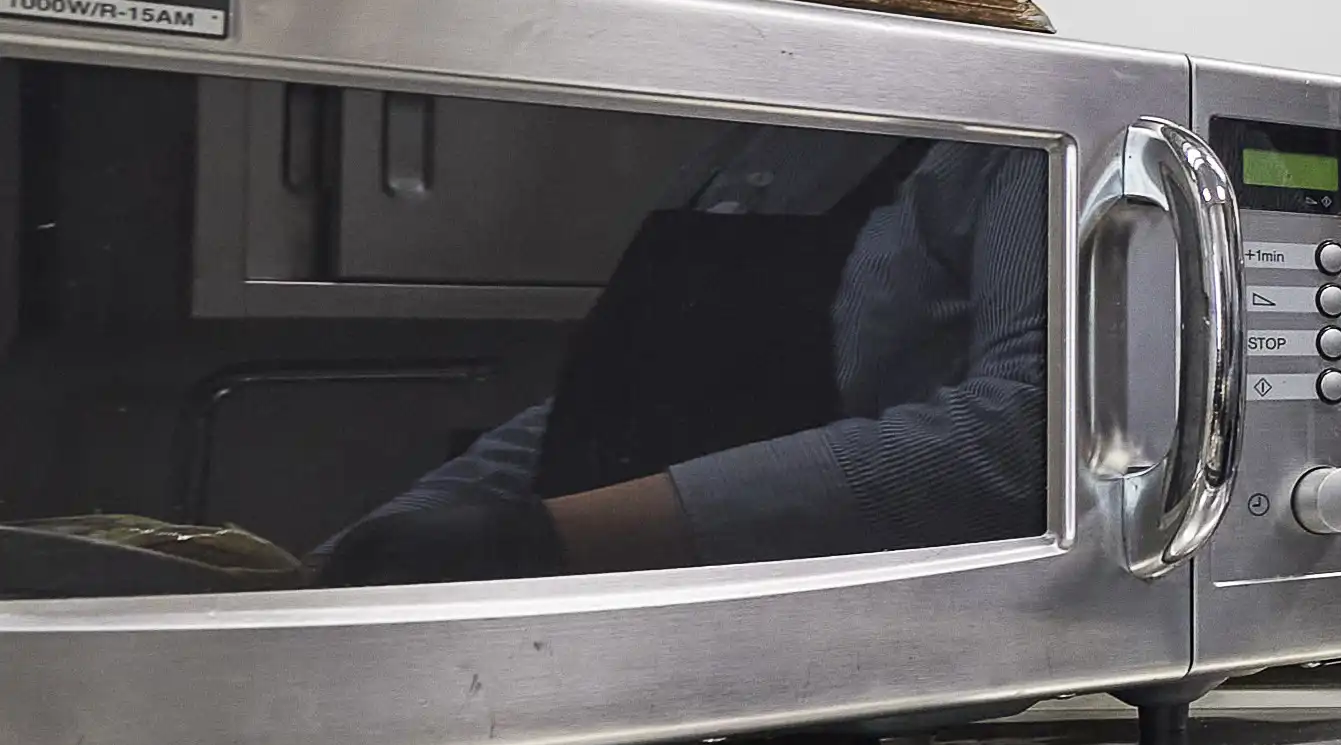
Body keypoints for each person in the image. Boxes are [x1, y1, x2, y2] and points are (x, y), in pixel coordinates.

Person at [321, 127, 1047, 580]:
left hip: (848, 686)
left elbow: (1021, 439)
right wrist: (367, 548)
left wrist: (542, 541)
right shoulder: (750, 141)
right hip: (606, 655)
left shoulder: (1008, 138)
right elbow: (618, 401)